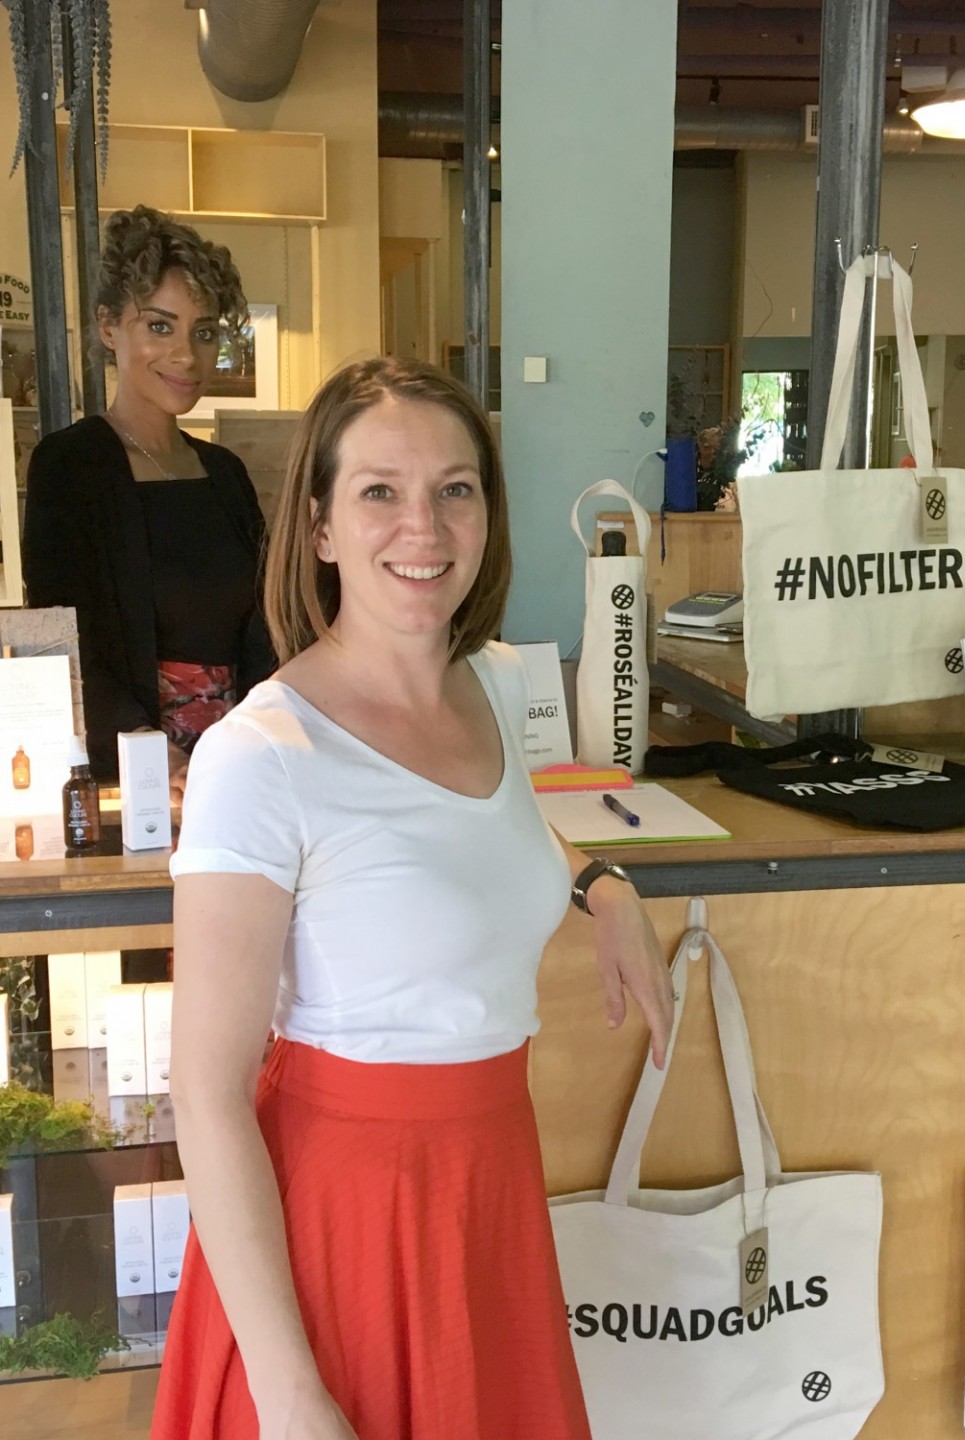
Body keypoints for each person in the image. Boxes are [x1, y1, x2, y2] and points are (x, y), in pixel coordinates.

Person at [152, 357, 674, 1440]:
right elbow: (206, 1094)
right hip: (345, 1223)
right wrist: (289, 1395)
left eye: (455, 487)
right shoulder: (261, 755)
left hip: (487, 1187)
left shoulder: (494, 684)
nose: (423, 526)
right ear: (321, 527)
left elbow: (482, 839)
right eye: (379, 491)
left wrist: (602, 884)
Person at [22, 206, 272, 793]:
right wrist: (152, 756)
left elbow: (267, 627)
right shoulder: (70, 465)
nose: (186, 355)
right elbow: (63, 634)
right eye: (160, 326)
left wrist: (253, 740)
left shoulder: (225, 472)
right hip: (131, 775)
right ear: (109, 327)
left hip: (241, 767)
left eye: (204, 332)